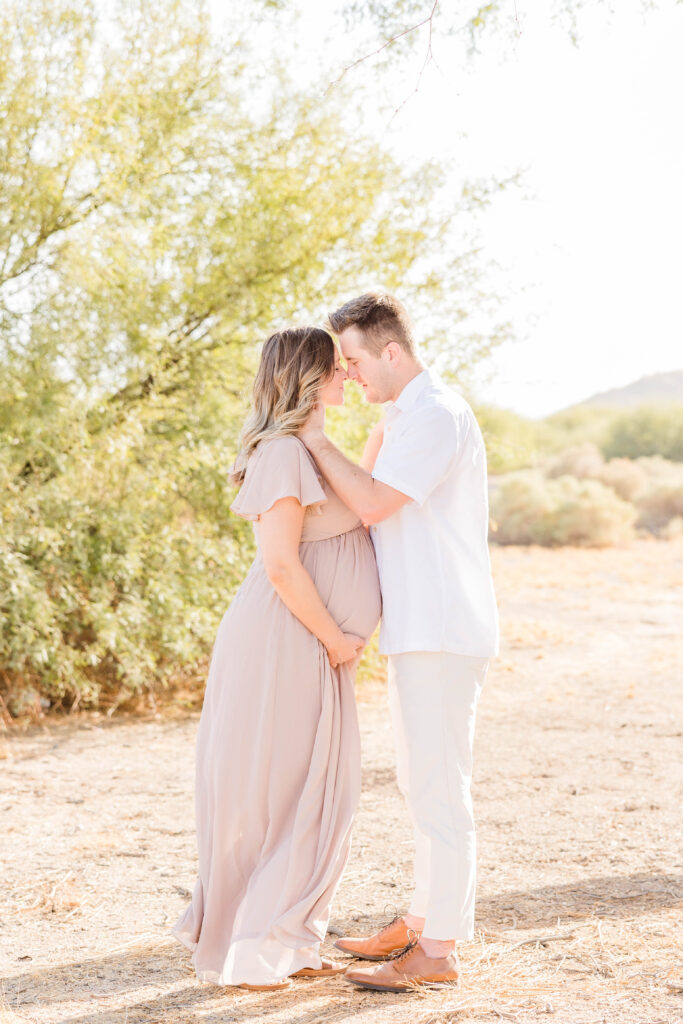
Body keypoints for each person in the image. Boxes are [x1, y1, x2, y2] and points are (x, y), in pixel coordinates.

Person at [299, 293, 499, 993]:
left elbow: (375, 504)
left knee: (440, 789)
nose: (347, 374)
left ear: (391, 351)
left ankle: (437, 952)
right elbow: (370, 498)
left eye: (352, 360)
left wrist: (313, 437)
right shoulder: (402, 415)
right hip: (420, 626)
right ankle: (420, 920)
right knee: (420, 781)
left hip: (442, 626)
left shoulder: (436, 415)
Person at [173, 326, 381, 991]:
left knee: (318, 792)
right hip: (290, 640)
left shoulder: (312, 448)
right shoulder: (283, 453)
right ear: (310, 377)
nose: (349, 376)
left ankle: (290, 938)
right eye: (339, 368)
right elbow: (283, 567)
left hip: (311, 643)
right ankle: (255, 949)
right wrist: (335, 639)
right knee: (289, 793)